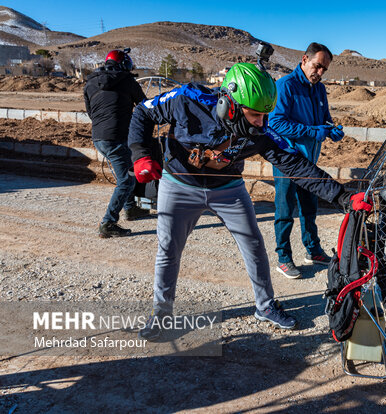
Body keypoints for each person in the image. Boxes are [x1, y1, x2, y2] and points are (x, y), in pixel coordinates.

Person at [127, 61, 371, 340]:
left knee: (253, 244)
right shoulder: (187, 98)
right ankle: (161, 314)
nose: (261, 122)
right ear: (229, 105)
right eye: (255, 115)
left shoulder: (262, 131)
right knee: (168, 249)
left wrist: (343, 197)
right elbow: (141, 113)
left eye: (264, 115)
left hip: (228, 187)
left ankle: (265, 306)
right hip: (180, 184)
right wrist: (141, 154)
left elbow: (296, 165)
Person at [268, 43, 344, 279]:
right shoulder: (285, 86)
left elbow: (324, 119)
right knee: (284, 210)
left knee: (309, 208)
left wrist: (331, 130)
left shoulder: (319, 90)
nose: (320, 73)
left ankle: (313, 250)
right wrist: (313, 131)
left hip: (309, 161)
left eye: (324, 70)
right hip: (288, 160)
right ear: (304, 60)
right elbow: (275, 122)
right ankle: (283, 258)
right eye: (317, 66)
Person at [84, 48, 151, 238]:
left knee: (130, 170)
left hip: (99, 137)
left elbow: (90, 112)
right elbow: (144, 106)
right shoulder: (127, 80)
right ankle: (108, 223)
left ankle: (131, 209)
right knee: (126, 180)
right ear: (123, 64)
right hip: (116, 137)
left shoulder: (90, 84)